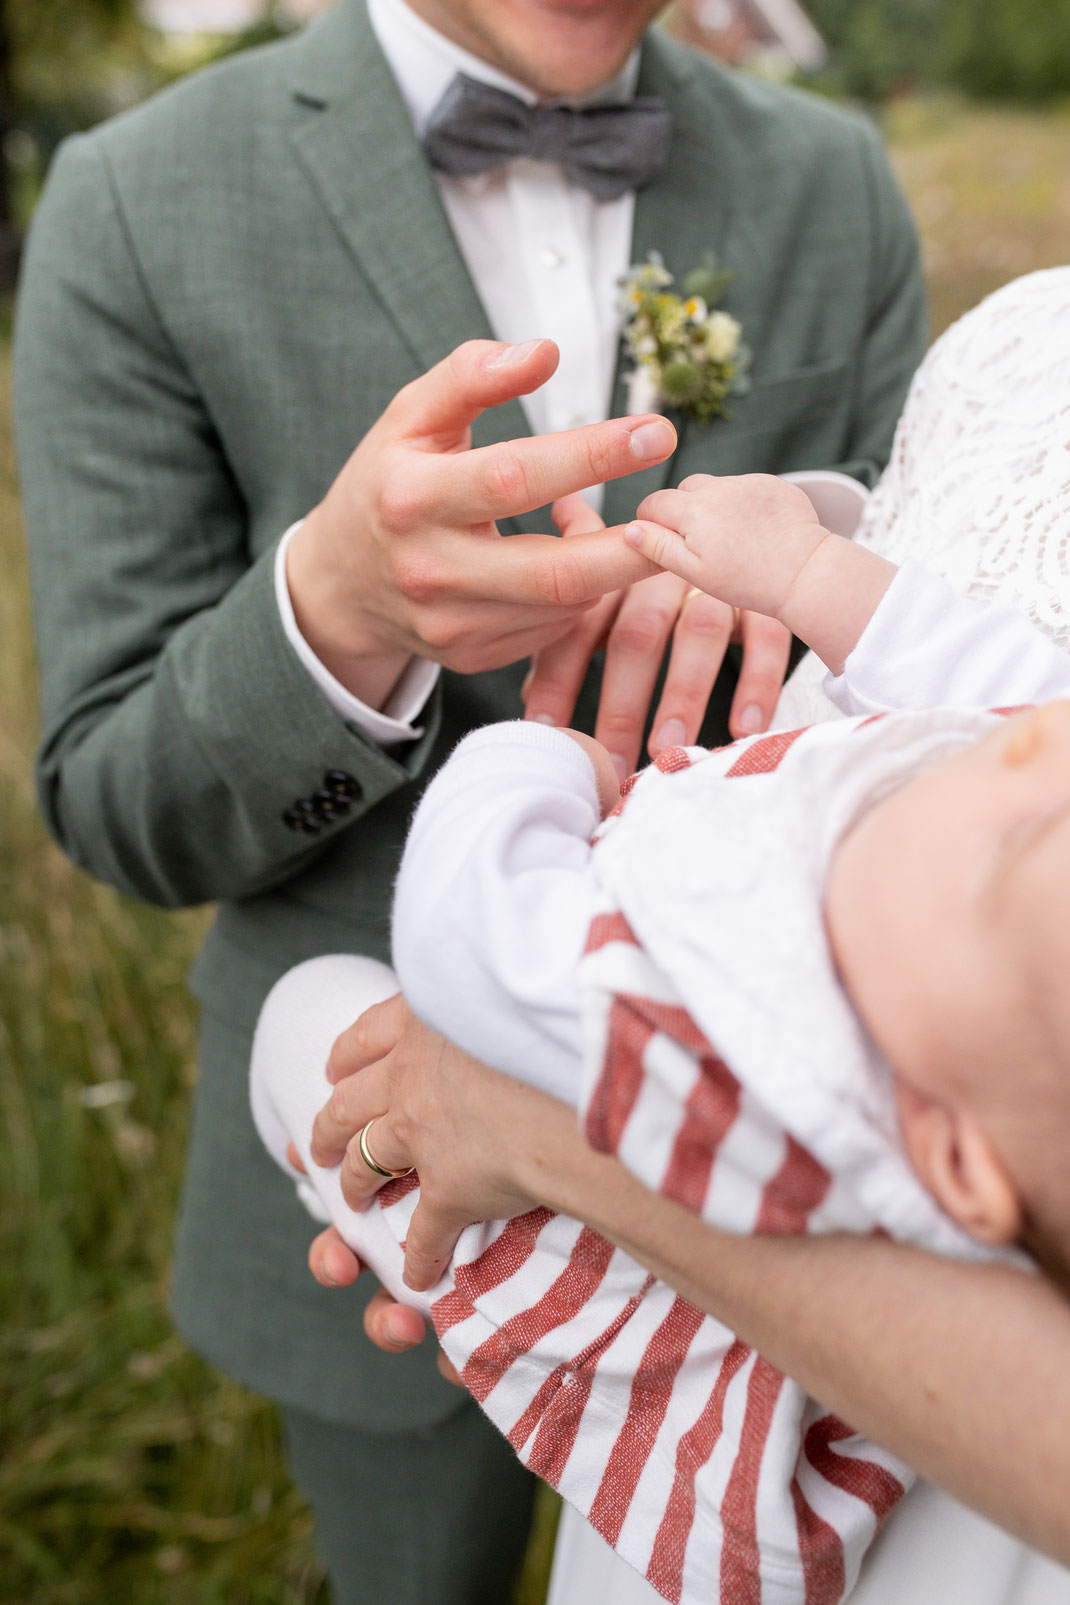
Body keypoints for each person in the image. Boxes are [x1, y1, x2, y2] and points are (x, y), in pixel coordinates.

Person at [13, 0, 927, 1593]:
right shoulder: (133, 196)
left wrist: (813, 563)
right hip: (374, 1171)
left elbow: (920, 705)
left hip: (779, 1180)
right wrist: (333, 617)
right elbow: (111, 798)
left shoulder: (832, 179)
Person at [292, 272, 1070, 1603]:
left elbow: (477, 940)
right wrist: (820, 559)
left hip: (804, 1341)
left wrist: (539, 764)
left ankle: (502, 1311)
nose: (1036, 749)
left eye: (1021, 818)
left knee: (307, 1023)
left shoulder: (747, 1015)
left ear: (947, 1147)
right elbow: (1015, 670)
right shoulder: (989, 866)